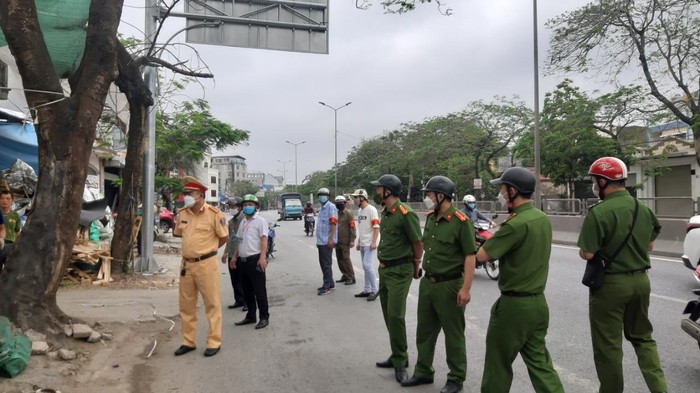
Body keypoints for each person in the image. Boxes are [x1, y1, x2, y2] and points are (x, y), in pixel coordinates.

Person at [577, 157, 667, 393]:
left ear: (603, 182)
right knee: (643, 338)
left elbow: (587, 253)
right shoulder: (643, 209)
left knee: (609, 347)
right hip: (641, 281)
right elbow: (649, 246)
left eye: (595, 181)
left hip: (611, 285)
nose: (594, 186)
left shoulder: (599, 213)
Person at [476, 167, 564, 393]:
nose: (501, 193)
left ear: (513, 191)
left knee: (498, 364)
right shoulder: (541, 219)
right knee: (541, 364)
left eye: (503, 189)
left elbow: (483, 255)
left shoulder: (515, 224)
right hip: (538, 304)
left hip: (514, 307)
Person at [401, 176, 476, 393]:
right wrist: (416, 264)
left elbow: (470, 256)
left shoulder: (460, 222)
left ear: (441, 196)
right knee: (424, 331)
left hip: (450, 284)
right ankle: (423, 371)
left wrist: (466, 289)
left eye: (430, 194)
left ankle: (456, 378)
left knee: (453, 335)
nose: (427, 198)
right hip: (428, 283)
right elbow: (425, 246)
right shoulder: (432, 219)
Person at [370, 174, 423, 385]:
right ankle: (396, 353)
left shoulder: (405, 213)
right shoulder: (387, 212)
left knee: (396, 315)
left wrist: (416, 264)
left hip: (400, 271)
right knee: (387, 314)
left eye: (379, 189)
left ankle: (401, 361)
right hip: (384, 270)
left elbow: (417, 242)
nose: (376, 192)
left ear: (388, 191)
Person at [172, 176, 229, 358]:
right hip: (186, 265)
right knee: (186, 305)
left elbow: (224, 237)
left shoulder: (214, 214)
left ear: (200, 195)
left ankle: (214, 341)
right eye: (185, 193)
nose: (186, 196)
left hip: (206, 264)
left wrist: (208, 251)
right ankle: (188, 342)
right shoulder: (183, 213)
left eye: (189, 193)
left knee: (212, 304)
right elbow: (180, 234)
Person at [232, 194, 271, 330]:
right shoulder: (243, 222)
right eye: (245, 205)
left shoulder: (260, 221)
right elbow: (239, 241)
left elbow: (264, 240)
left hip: (255, 260)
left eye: (250, 204)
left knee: (259, 290)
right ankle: (251, 316)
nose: (247, 207)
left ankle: (264, 317)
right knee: (247, 290)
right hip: (243, 261)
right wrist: (234, 257)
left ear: (256, 206)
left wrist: (262, 258)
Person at [351, 188, 380, 301]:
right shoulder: (359, 211)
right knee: (365, 266)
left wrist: (373, 242)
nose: (355, 200)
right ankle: (367, 289)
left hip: (370, 243)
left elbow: (376, 227)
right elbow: (362, 228)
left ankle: (374, 290)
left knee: (367, 265)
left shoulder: (371, 210)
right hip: (363, 243)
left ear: (362, 198)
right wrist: (359, 242)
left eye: (356, 197)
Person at [221, 196, 246, 310]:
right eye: (230, 206)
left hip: (241, 254)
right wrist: (225, 253)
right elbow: (229, 238)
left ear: (240, 207)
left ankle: (247, 302)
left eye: (233, 206)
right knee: (234, 278)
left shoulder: (245, 220)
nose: (231, 208)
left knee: (243, 279)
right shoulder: (231, 222)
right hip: (232, 254)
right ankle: (239, 300)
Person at [316, 187, 338, 295]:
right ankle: (330, 282)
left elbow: (333, 223)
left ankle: (327, 286)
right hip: (321, 240)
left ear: (328, 196)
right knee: (323, 263)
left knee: (326, 264)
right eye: (320, 195)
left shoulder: (331, 207)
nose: (322, 197)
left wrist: (331, 239)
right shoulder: (321, 208)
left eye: (324, 195)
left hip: (326, 241)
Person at [334, 195, 356, 285]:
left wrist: (352, 240)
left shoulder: (348, 214)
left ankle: (351, 277)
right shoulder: (336, 213)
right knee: (339, 258)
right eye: (337, 203)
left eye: (341, 203)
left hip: (345, 240)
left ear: (344, 204)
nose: (339, 205)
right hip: (337, 240)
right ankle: (345, 275)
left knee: (346, 259)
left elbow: (352, 227)